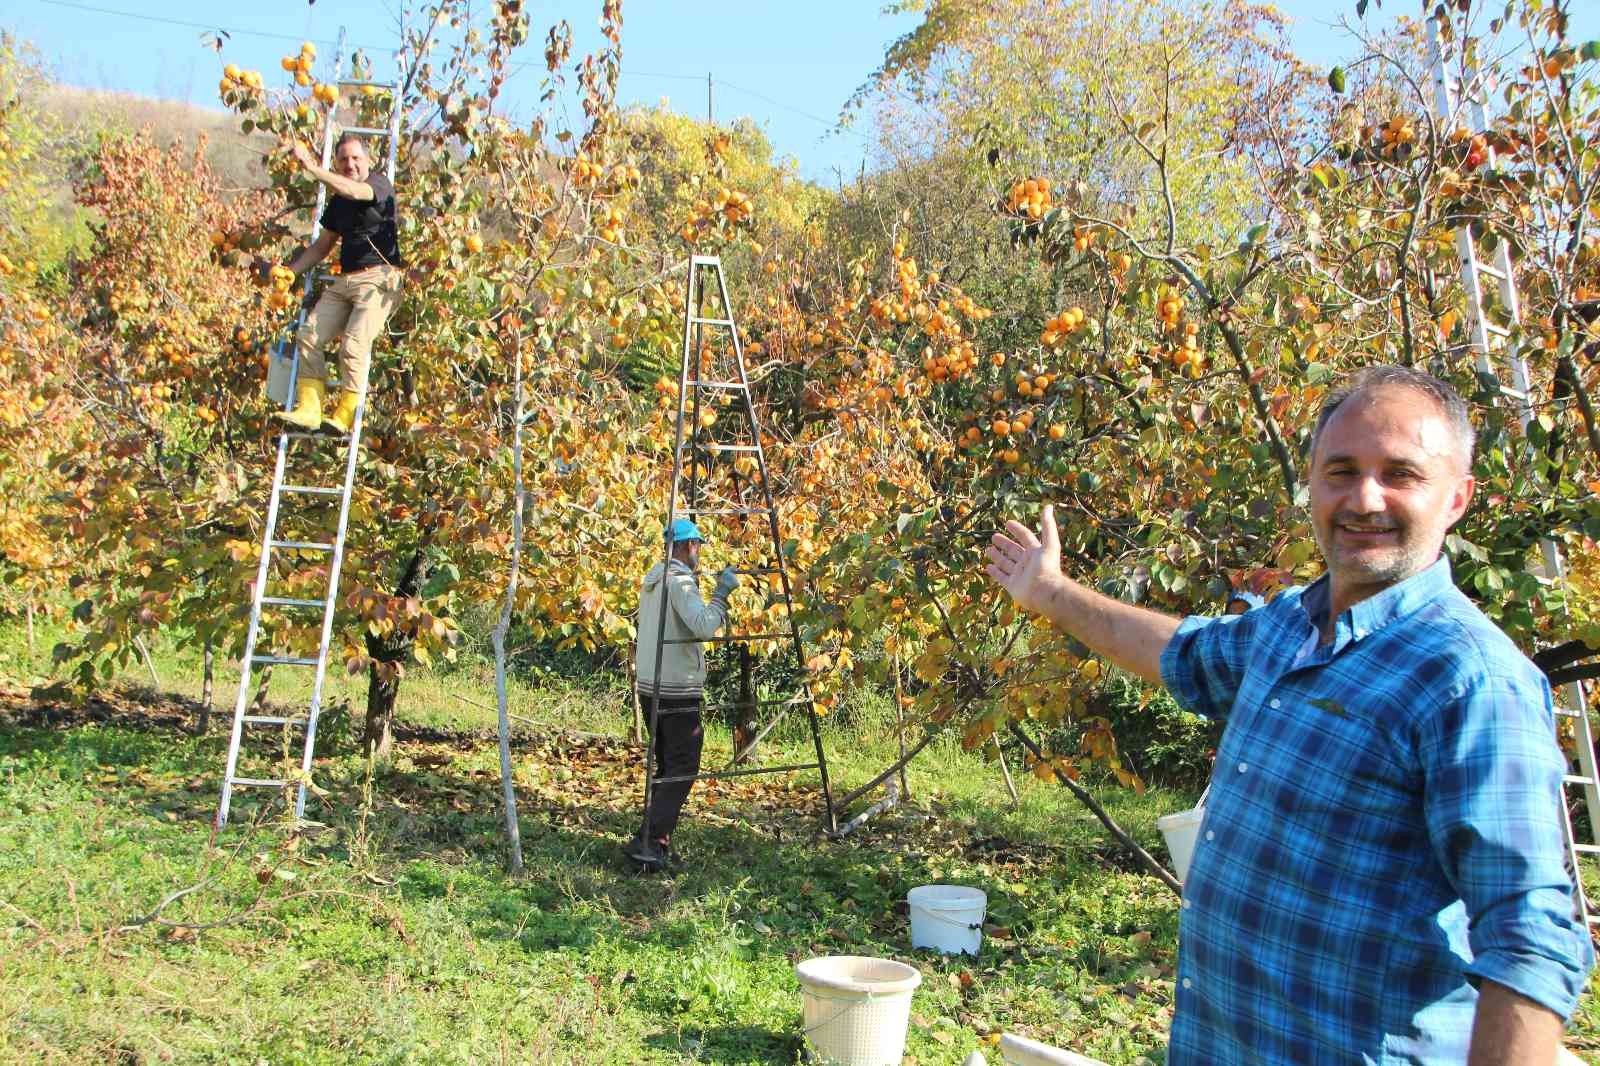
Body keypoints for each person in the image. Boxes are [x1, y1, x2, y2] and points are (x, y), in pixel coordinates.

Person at [984, 365, 1593, 1064]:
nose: (1365, 498)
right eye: (1341, 471)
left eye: (1401, 473)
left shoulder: (1467, 680)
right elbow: (1181, 653)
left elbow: (1530, 937)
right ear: (1312, 484)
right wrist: (1052, 592)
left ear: (1456, 498)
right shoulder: (1289, 628)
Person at [266, 131, 404, 435]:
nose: (350, 164)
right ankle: (310, 408)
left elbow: (356, 192)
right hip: (347, 281)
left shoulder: (378, 184)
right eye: (343, 159)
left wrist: (313, 169)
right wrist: (290, 272)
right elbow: (322, 246)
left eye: (356, 158)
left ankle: (345, 414)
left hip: (379, 279)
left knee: (354, 345)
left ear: (367, 161)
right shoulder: (338, 204)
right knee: (309, 336)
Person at [627, 518, 739, 870]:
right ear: (690, 546)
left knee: (667, 766)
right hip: (676, 688)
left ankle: (651, 836)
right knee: (683, 767)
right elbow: (704, 626)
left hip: (650, 686)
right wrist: (721, 594)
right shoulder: (679, 582)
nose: (700, 553)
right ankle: (651, 842)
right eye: (699, 546)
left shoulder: (654, 579)